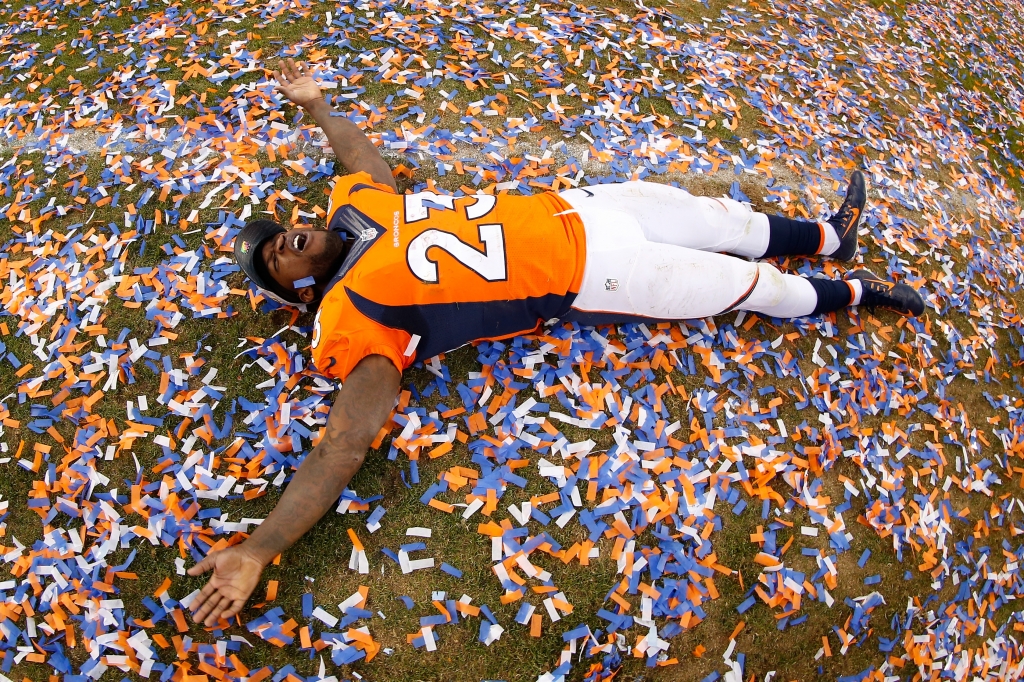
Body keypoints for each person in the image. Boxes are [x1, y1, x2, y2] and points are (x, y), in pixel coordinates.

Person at [186, 59, 926, 626]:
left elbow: (357, 158)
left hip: (587, 206)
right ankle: (859, 294)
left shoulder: (358, 210)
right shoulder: (352, 313)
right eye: (273, 261)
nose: (280, 242)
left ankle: (831, 236)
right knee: (753, 288)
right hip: (597, 272)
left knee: (724, 221)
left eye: (274, 235)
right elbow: (343, 443)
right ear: (298, 293)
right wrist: (258, 549)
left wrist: (318, 105)